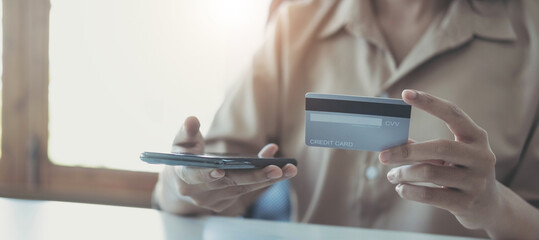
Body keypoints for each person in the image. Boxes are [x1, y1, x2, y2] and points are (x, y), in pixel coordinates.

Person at [153, 0, 539, 239]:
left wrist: (494, 207)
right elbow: (201, 181)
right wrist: (181, 184)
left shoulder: (532, 38)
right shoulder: (294, 27)